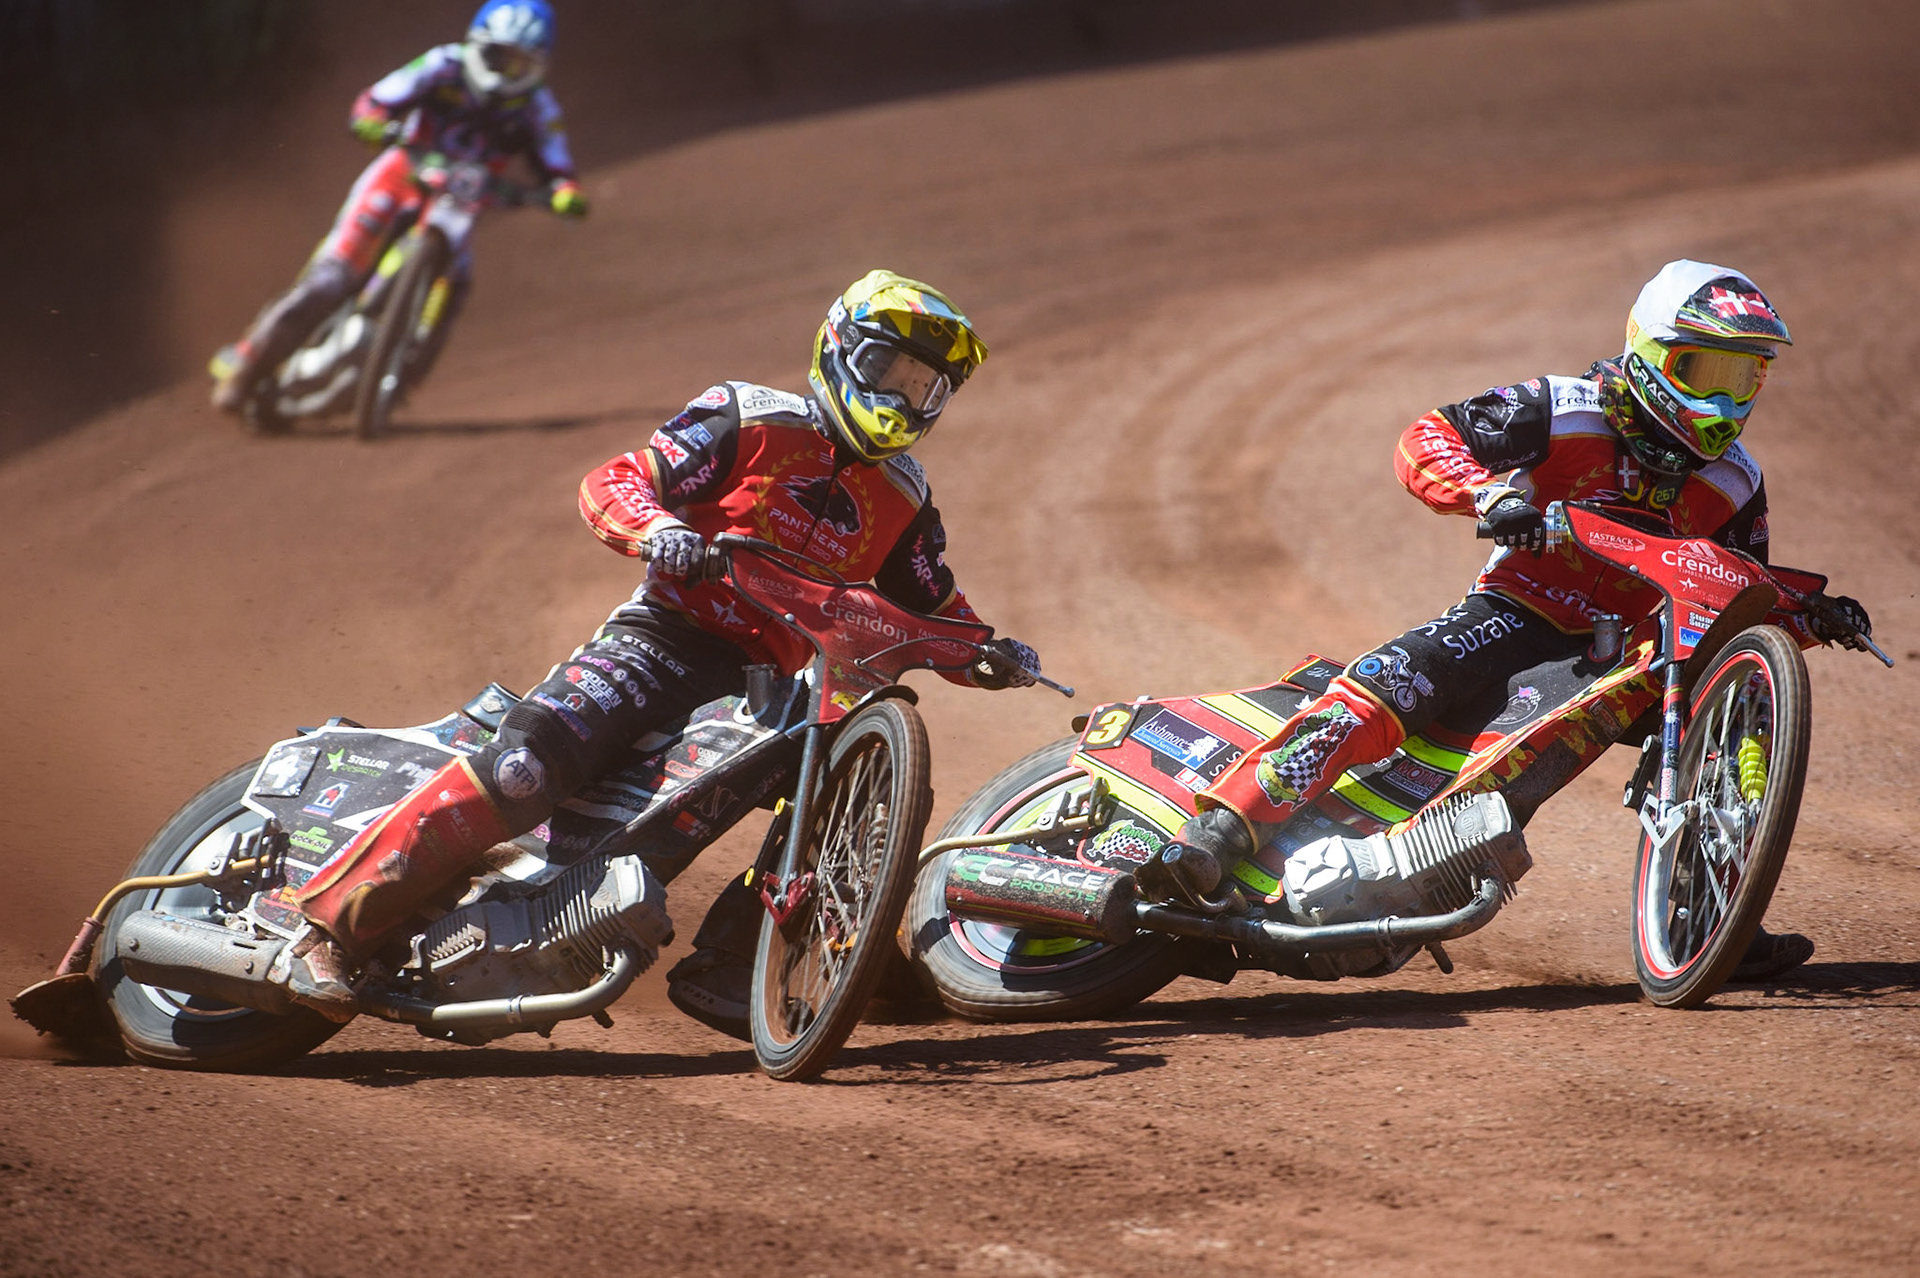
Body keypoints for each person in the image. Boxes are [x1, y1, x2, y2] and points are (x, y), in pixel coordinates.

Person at [268, 269, 1044, 1034]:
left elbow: (932, 600)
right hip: (660, 639)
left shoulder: (904, 495)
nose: (904, 400)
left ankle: (747, 956)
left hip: (762, 683)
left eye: (927, 387)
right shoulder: (747, 416)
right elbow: (620, 479)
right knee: (523, 767)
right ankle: (326, 932)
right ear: (841, 348)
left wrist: (988, 650)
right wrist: (660, 532)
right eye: (891, 372)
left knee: (842, 754)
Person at [1137, 259, 1870, 982]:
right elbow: (1427, 438)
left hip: (1629, 654)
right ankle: (1219, 834)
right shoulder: (1566, 406)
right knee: (1396, 682)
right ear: (1651, 354)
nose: (1726, 398)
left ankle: (1710, 909)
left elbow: (1733, 594)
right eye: (1705, 371)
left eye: (1744, 377)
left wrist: (1804, 608)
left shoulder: (1735, 479)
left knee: (1731, 707)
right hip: (1515, 612)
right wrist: (1488, 496)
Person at [209, 0, 587, 413]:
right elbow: (378, 98)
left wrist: (564, 191)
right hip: (401, 176)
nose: (505, 72)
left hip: (460, 204)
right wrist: (373, 119)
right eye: (499, 57)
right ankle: (247, 365)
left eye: (520, 64)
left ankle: (402, 374)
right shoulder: (443, 64)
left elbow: (557, 162)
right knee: (330, 277)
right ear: (478, 46)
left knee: (458, 284)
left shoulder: (539, 107)